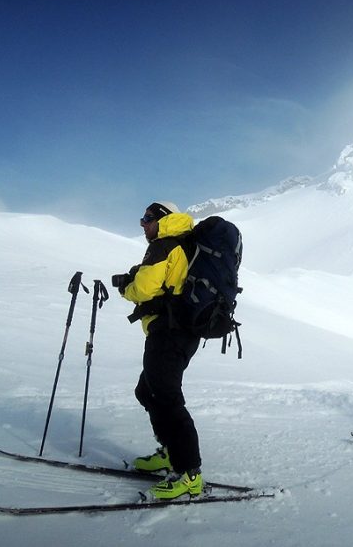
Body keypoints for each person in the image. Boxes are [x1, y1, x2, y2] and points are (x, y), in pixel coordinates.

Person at [114, 201, 204, 499]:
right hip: (180, 332)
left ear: (162, 220)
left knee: (166, 399)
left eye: (147, 219)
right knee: (147, 392)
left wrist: (126, 285)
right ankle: (169, 452)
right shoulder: (185, 243)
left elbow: (144, 289)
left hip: (169, 332)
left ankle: (190, 474)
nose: (142, 224)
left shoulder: (164, 244)